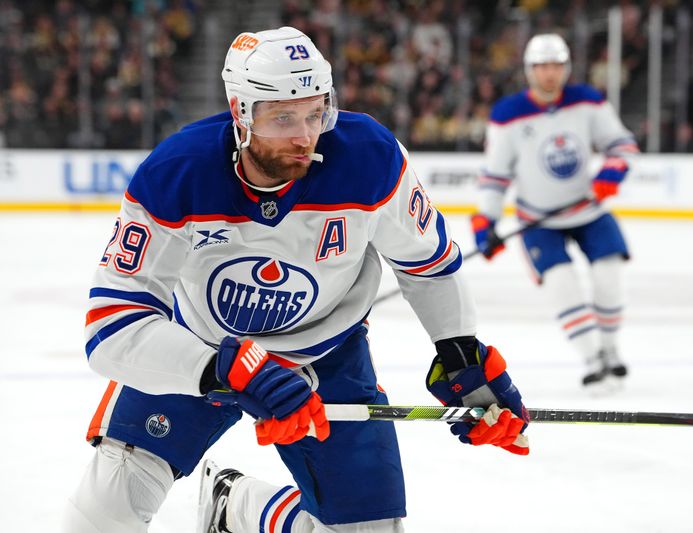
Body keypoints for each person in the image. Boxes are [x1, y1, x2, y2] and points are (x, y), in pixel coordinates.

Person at [63, 27, 529, 533]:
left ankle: (236, 505)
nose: (305, 136)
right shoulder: (177, 171)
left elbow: (429, 263)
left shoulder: (370, 158)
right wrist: (227, 370)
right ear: (241, 113)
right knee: (100, 515)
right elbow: (109, 328)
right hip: (202, 346)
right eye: (283, 118)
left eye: (314, 113)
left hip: (325, 353)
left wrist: (459, 353)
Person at [471, 33, 640, 390]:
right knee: (562, 284)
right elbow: (495, 175)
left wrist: (613, 169)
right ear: (530, 70)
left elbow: (622, 143)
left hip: (590, 211)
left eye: (556, 65)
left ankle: (610, 351)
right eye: (542, 66)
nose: (550, 73)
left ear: (566, 68)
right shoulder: (508, 115)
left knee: (610, 277)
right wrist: (486, 219)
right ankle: (592, 359)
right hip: (538, 220)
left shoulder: (588, 101)